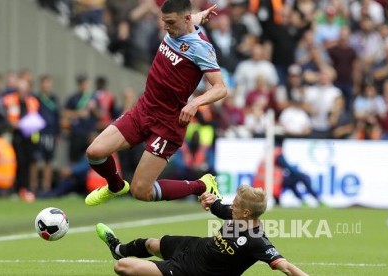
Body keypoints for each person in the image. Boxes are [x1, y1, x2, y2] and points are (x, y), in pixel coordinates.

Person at [84, 0, 227, 206]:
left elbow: (220, 87)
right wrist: (201, 15)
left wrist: (195, 103)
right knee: (94, 152)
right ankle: (115, 186)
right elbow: (190, 19)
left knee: (141, 191)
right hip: (144, 109)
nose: (165, 27)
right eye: (163, 21)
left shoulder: (201, 48)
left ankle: (202, 185)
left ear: (184, 19)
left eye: (169, 22)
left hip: (168, 124)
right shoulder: (180, 26)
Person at [96, 185, 308, 276]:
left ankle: (123, 257)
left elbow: (287, 267)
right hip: (194, 247)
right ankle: (119, 248)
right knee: (150, 243)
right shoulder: (235, 215)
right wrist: (207, 198)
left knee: (122, 267)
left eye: (235, 204)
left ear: (246, 213)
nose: (230, 206)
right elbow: (215, 205)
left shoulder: (256, 240)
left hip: (192, 271)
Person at [253, 137, 323, 207]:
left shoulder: (268, 154)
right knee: (303, 177)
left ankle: (301, 201)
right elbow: (289, 168)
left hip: (264, 183)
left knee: (291, 182)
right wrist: (300, 174)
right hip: (274, 182)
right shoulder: (277, 154)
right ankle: (317, 198)